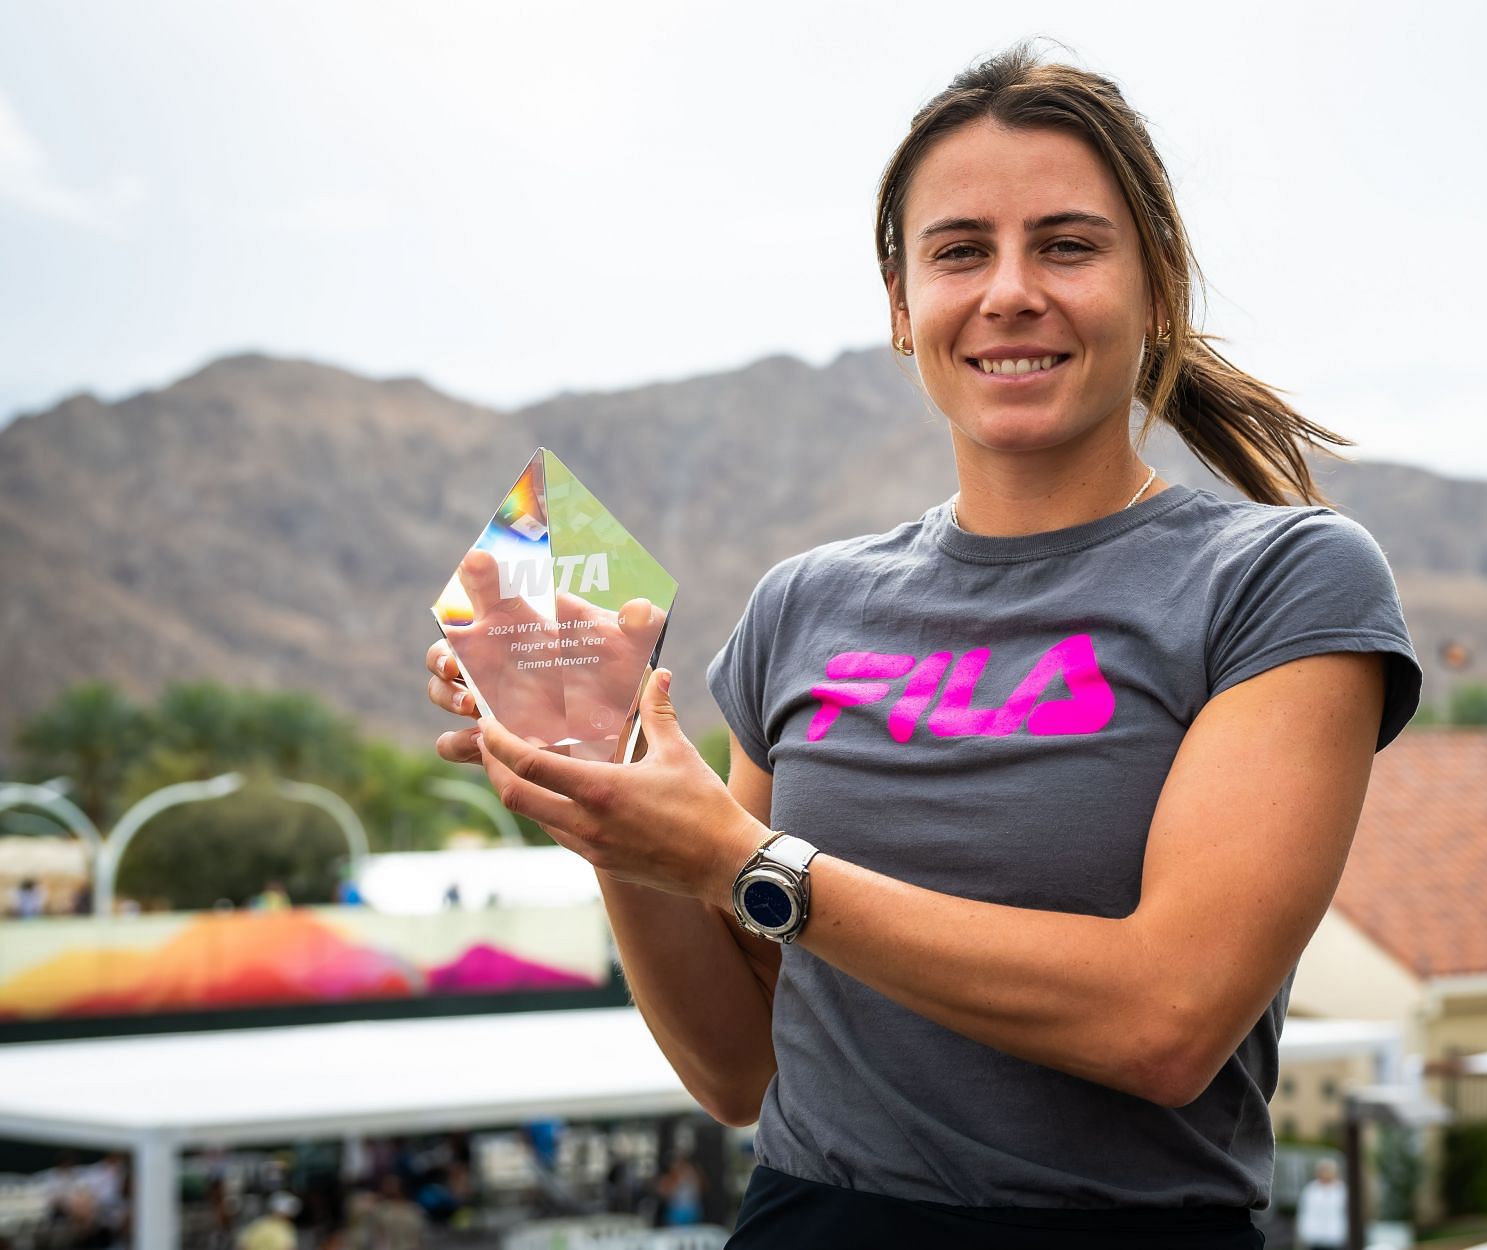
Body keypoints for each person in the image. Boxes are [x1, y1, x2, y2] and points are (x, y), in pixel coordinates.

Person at [425, 42, 1421, 1249]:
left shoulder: (1282, 580)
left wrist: (749, 858)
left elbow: (1167, 1021)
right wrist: (608, 800)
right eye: (960, 251)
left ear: (1156, 287)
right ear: (902, 308)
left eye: (1067, 243)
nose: (1010, 290)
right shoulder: (804, 603)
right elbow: (740, 1069)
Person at [1295, 1159, 1349, 1250]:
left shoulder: (1342, 1190)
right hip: (1314, 1237)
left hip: (1335, 1237)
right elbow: (1304, 1213)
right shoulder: (1311, 1190)